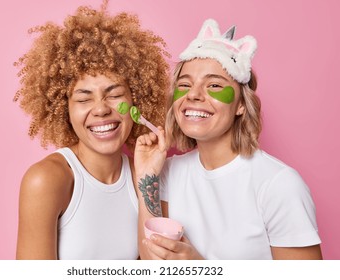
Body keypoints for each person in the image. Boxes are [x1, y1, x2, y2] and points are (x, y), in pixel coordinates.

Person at [134, 19, 322, 259]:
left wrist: (199, 267)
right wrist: (146, 178)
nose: (193, 94)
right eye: (184, 84)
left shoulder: (278, 185)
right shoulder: (169, 171)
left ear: (241, 105)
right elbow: (154, 264)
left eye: (213, 85)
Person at [14, 1, 170, 259]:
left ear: (137, 100)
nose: (100, 110)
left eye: (115, 94)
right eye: (84, 98)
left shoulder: (145, 176)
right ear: (64, 109)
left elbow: (158, 268)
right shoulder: (47, 180)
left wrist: (148, 179)